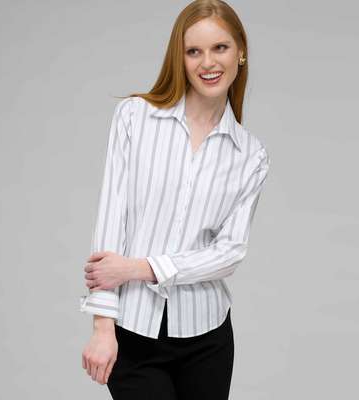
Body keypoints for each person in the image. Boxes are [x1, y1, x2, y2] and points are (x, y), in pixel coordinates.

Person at [80, 1, 271, 399]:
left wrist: (141, 268)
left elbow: (229, 252)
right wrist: (102, 327)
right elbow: (111, 223)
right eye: (193, 51)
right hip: (132, 331)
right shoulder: (134, 117)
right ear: (179, 59)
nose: (208, 63)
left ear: (240, 52)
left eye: (220, 47)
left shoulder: (250, 155)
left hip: (208, 337)